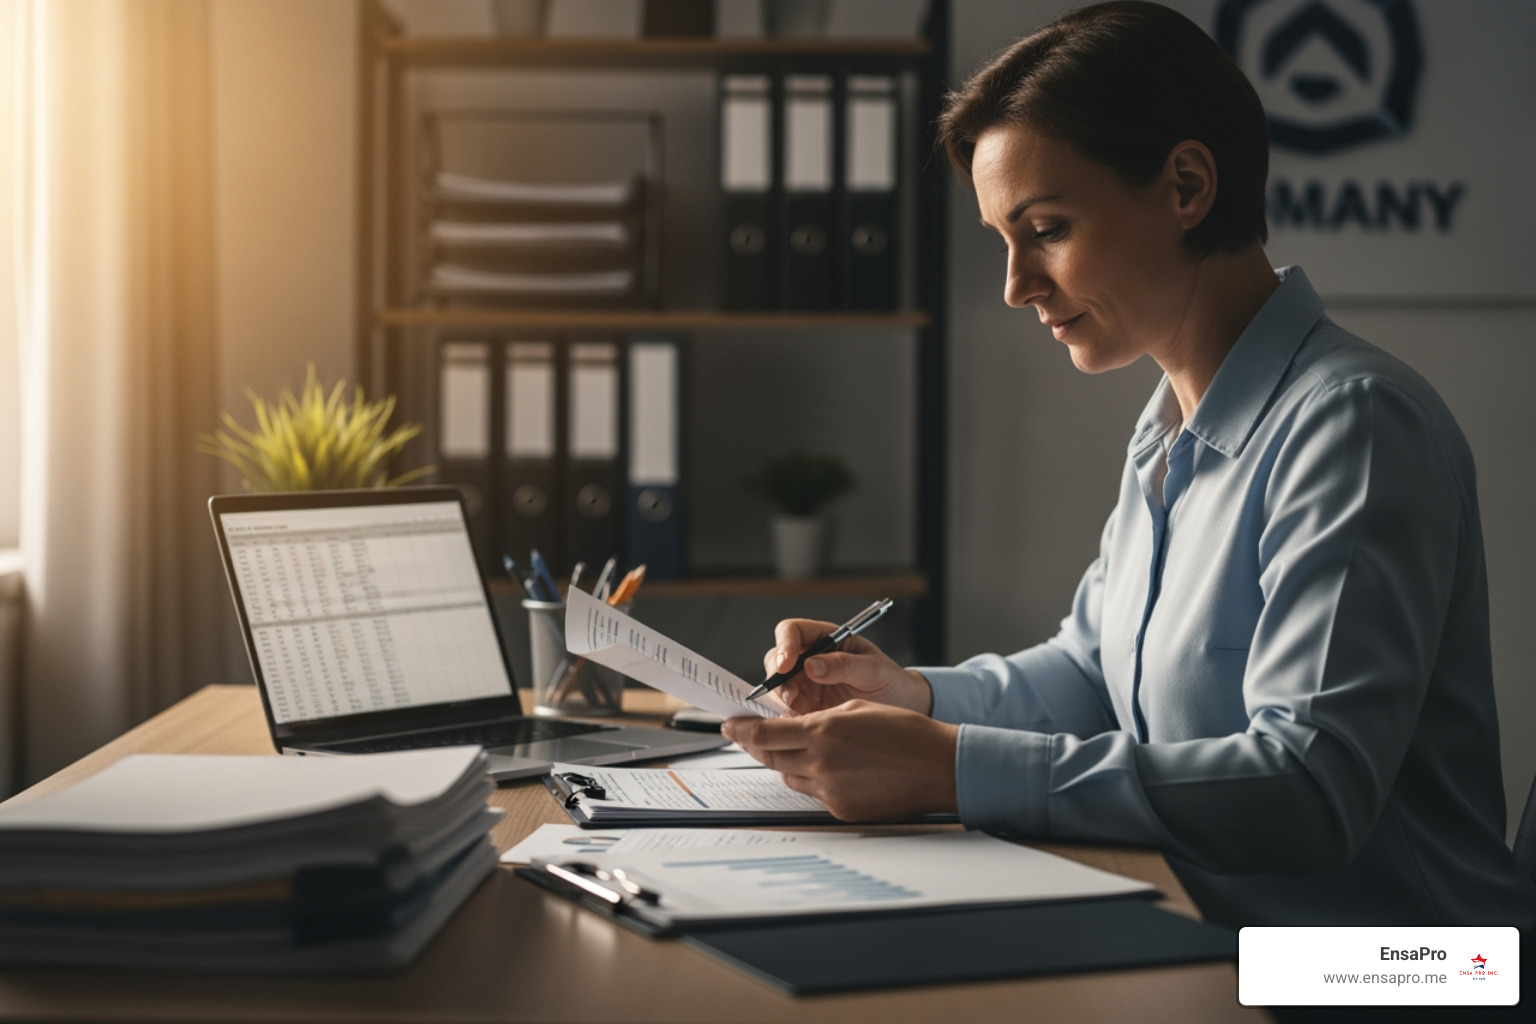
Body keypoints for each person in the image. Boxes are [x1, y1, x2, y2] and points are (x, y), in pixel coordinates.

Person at [723, 0, 1536, 929]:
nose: (1017, 285)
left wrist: (947, 765)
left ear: (1187, 186)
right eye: (1005, 241)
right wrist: (906, 696)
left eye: (1048, 229)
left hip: (1405, 977)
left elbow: (1312, 789)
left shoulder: (1353, 424)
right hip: (1216, 930)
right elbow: (1091, 670)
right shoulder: (1167, 430)